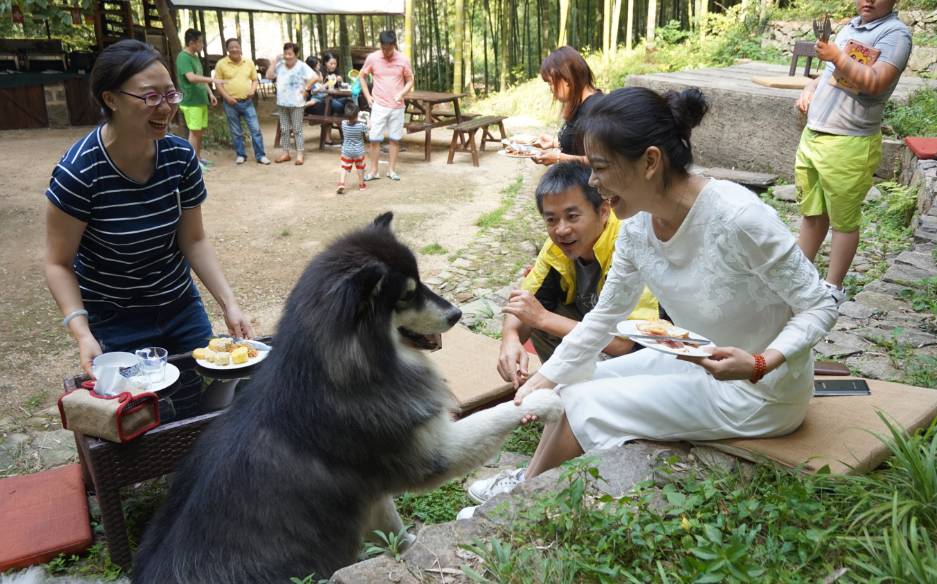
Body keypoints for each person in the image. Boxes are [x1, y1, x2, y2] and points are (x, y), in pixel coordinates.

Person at [459, 87, 837, 517]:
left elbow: (820, 304)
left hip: (761, 391)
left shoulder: (739, 218)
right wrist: (540, 383)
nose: (594, 183)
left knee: (586, 404)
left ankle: (517, 504)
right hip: (701, 360)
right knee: (569, 383)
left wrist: (760, 362)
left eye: (600, 168)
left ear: (651, 161)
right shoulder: (638, 227)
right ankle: (532, 478)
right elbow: (604, 318)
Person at [44, 39, 253, 378]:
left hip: (181, 307)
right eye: (150, 96)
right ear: (110, 99)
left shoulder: (181, 157)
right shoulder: (79, 172)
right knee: (141, 417)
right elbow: (58, 263)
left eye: (170, 94)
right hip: (114, 319)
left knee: (205, 400)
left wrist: (228, 302)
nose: (166, 107)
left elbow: (194, 240)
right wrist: (82, 333)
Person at [498, 162, 660, 388]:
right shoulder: (557, 246)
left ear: (603, 211)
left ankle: (592, 395)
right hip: (593, 330)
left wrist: (543, 318)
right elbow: (524, 300)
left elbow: (627, 343)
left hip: (647, 356)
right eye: (551, 219)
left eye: (572, 216)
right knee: (534, 311)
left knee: (542, 316)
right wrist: (510, 338)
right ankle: (562, 391)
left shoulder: (628, 243)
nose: (561, 230)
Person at [794, 0, 912, 306]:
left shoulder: (895, 34)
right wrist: (810, 88)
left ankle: (833, 287)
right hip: (815, 134)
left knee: (843, 221)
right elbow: (831, 74)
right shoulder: (851, 27)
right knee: (811, 213)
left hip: (850, 141)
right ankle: (797, 276)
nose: (868, 0)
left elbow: (875, 82)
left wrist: (836, 54)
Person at [530, 46, 602, 167]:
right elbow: (580, 145)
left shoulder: (596, 109)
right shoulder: (579, 104)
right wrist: (554, 143)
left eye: (551, 83)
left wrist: (558, 158)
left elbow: (601, 161)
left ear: (567, 79)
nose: (551, 90)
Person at [360, 30, 414, 182]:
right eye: (383, 48)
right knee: (374, 139)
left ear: (394, 45)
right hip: (379, 105)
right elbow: (362, 76)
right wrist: (368, 96)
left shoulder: (403, 59)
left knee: (395, 139)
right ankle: (374, 171)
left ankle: (391, 170)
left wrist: (402, 93)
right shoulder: (373, 58)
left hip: (397, 106)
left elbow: (410, 80)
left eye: (389, 49)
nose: (386, 52)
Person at [214, 37, 271, 165]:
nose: (234, 49)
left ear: (240, 48)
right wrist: (227, 98)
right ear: (227, 49)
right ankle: (240, 155)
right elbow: (218, 84)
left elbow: (255, 79)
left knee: (255, 129)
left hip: (247, 102)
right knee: (236, 131)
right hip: (230, 103)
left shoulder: (248, 62)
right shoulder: (221, 64)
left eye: (237, 46)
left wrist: (252, 90)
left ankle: (260, 155)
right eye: (231, 47)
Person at [175, 28, 221, 170]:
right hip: (191, 101)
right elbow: (192, 78)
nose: (202, 44)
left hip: (201, 100)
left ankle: (199, 158)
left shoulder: (195, 57)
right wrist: (214, 80)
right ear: (191, 42)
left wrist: (210, 93)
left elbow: (200, 77)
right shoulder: (183, 57)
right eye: (200, 42)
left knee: (199, 132)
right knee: (194, 133)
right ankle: (192, 163)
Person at [267, 42, 318, 165]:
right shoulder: (280, 65)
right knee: (284, 129)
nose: (287, 56)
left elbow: (315, 77)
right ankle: (286, 153)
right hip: (282, 102)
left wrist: (307, 88)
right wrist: (274, 62)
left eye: (290, 54)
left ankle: (300, 154)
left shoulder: (302, 66)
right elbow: (269, 76)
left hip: (297, 103)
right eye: (285, 53)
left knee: (297, 130)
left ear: (296, 54)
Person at [337, 102, 368, 194]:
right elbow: (368, 129)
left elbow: (349, 120)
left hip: (346, 151)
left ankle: (342, 183)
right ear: (357, 115)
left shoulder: (343, 124)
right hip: (359, 151)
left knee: (344, 167)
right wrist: (366, 119)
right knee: (360, 167)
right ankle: (361, 184)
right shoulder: (361, 125)